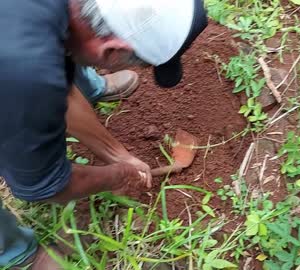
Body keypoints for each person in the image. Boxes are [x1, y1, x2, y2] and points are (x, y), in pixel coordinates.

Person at [0, 0, 208, 268]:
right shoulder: (24, 74)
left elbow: (60, 91)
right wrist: (120, 176)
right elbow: (46, 186)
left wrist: (119, 156)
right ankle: (16, 253)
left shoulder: (50, 23)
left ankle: (90, 87)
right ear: (111, 50)